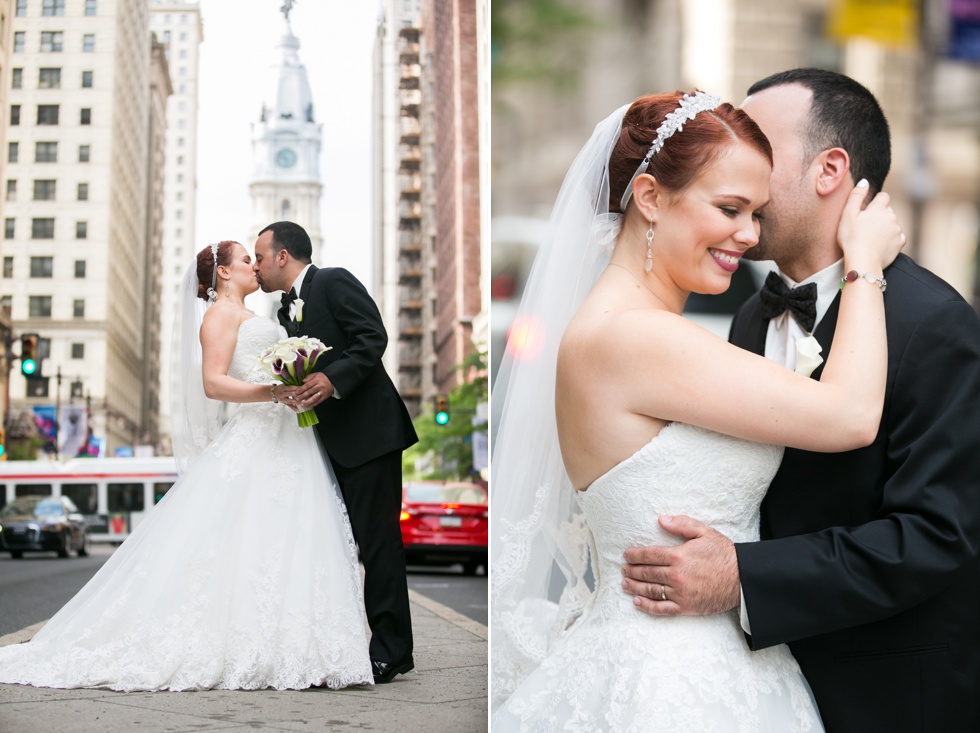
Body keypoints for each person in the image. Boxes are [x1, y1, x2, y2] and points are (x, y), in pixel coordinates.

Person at [490, 90, 904, 731]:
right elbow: (850, 416)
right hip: (670, 683)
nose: (750, 235)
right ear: (651, 197)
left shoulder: (630, 328)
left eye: (757, 212)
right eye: (730, 209)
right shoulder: (633, 337)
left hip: (705, 662)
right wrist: (867, 265)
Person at [621, 69, 980, 732]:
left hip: (884, 696)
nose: (740, 160)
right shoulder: (752, 318)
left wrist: (744, 576)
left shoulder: (937, 326)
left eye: (760, 144)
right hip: (749, 685)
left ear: (830, 170)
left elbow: (934, 536)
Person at [0, 241, 373, 691]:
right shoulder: (218, 316)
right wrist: (274, 393)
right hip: (257, 432)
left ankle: (299, 644)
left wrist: (289, 384)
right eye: (245, 260)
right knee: (246, 538)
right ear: (223, 273)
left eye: (256, 259)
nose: (254, 266)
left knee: (291, 535)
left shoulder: (261, 316)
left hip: (289, 437)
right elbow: (214, 384)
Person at [252, 222, 418, 683]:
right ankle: (342, 644)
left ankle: (392, 651)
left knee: (378, 545)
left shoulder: (333, 281)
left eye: (260, 256)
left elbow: (372, 338)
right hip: (323, 446)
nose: (257, 266)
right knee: (337, 547)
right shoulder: (284, 310)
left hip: (369, 437)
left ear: (283, 256)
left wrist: (332, 379)